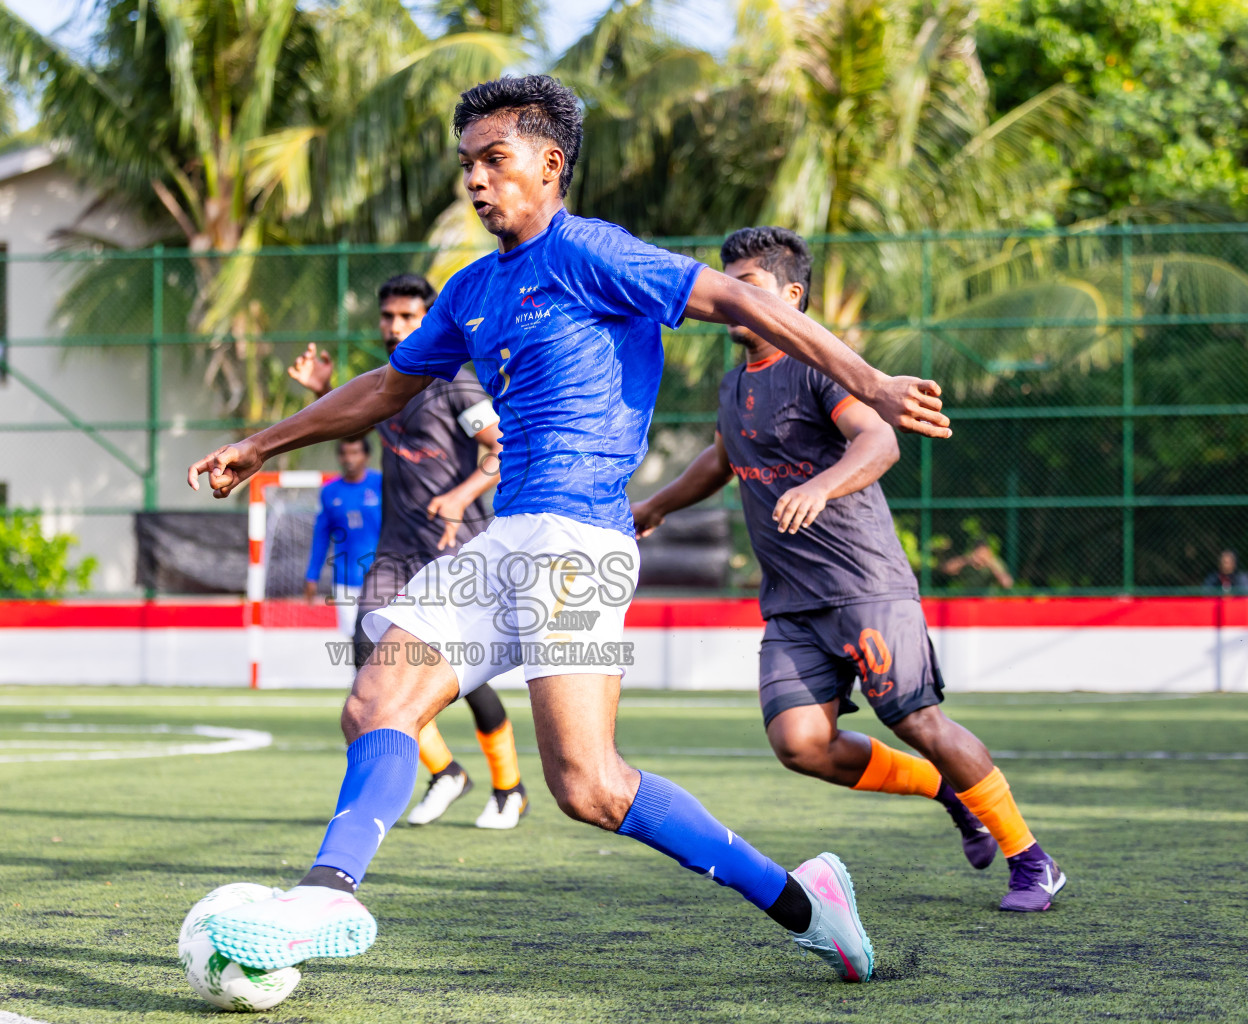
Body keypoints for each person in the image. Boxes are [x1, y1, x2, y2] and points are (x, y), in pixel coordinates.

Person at [187, 75, 949, 985]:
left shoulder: (596, 252)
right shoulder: (471, 288)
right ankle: (329, 890)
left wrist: (869, 383)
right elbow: (385, 389)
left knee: (589, 787)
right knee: (373, 701)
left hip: (578, 545)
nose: (475, 181)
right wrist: (261, 444)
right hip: (507, 540)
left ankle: (802, 901)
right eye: (466, 164)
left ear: (550, 166)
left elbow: (747, 304)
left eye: (493, 160)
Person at [632, 226, 1064, 913]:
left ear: (792, 296)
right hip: (791, 601)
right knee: (800, 743)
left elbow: (880, 438)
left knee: (918, 721)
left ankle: (1032, 860)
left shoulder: (817, 366)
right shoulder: (734, 382)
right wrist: (653, 507)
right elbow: (721, 460)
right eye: (729, 285)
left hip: (865, 584)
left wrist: (821, 486)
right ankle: (946, 791)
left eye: (751, 286)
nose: (733, 299)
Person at [289, 273, 529, 830]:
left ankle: (510, 787)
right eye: (387, 317)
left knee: (463, 676)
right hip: (398, 548)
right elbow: (349, 419)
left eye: (407, 317)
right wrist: (322, 392)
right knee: (369, 655)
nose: (395, 328)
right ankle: (445, 771)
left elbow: (502, 448)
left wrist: (461, 494)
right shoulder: (389, 383)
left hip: (455, 545)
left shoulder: (457, 385)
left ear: (429, 319)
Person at [304, 436, 382, 638]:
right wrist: (312, 575)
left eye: (355, 452)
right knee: (355, 640)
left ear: (366, 456)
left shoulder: (381, 484)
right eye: (344, 453)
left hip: (381, 578)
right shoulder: (330, 492)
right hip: (345, 580)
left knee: (382, 640)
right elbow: (321, 536)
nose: (349, 459)